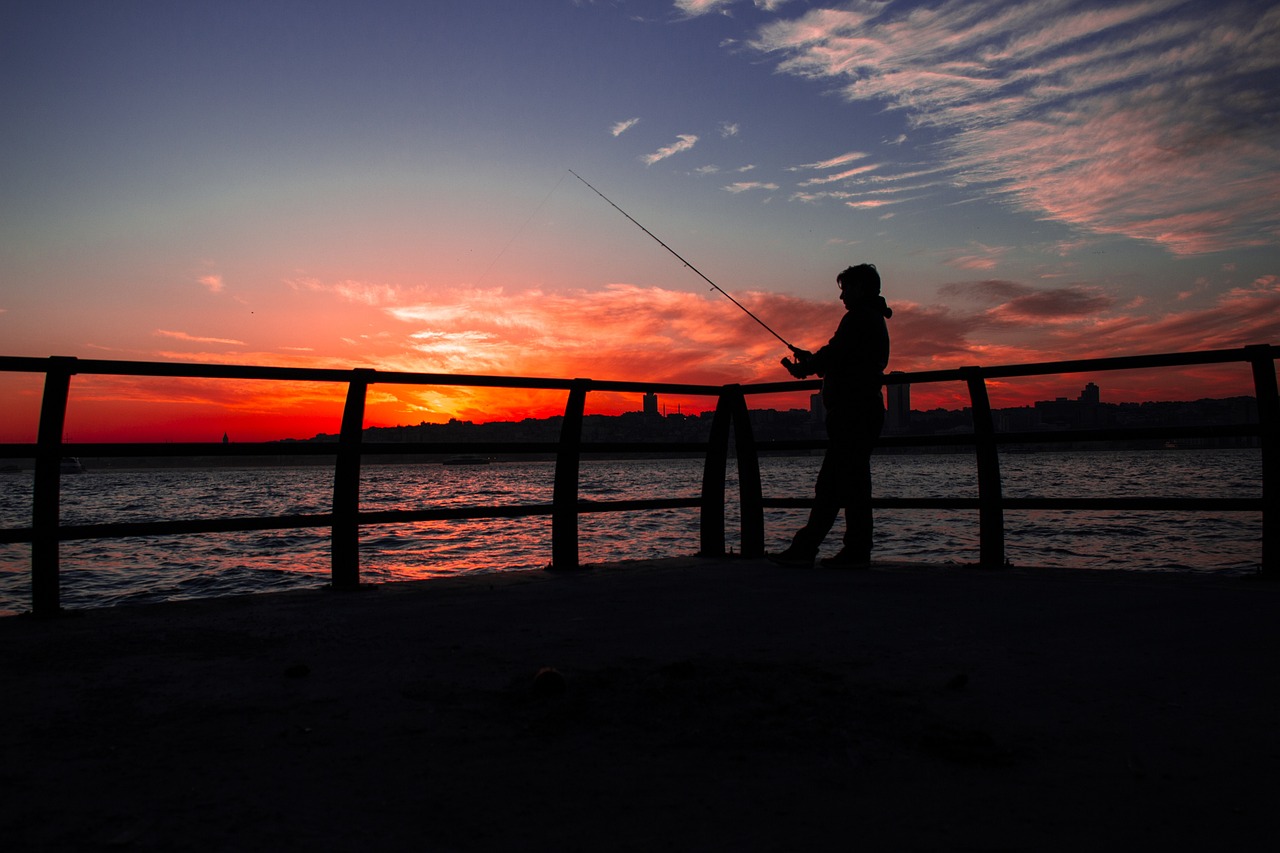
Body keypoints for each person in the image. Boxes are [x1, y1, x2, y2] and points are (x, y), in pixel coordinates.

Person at [770, 263, 892, 568]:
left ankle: (809, 548)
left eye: (846, 290)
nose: (842, 297)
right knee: (853, 486)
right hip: (863, 411)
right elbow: (843, 359)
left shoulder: (858, 318)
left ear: (860, 288)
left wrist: (806, 366)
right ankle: (852, 550)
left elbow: (836, 355)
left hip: (853, 413)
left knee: (832, 485)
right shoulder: (872, 318)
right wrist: (813, 361)